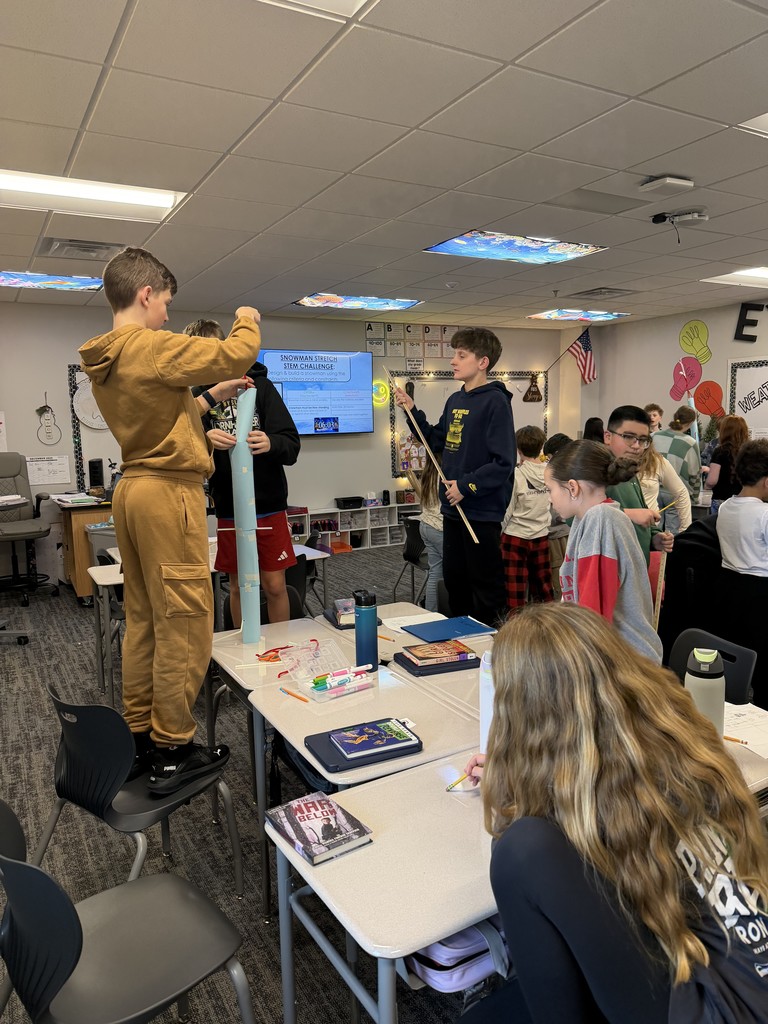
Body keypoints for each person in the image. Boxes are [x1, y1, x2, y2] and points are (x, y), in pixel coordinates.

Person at [463, 603, 768, 1024]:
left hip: (714, 1007)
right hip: (747, 979)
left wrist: (513, 781)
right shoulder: (675, 743)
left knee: (521, 853)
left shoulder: (529, 847)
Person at [79, 247, 261, 793]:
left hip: (132, 489)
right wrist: (248, 316)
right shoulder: (149, 344)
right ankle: (173, 747)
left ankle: (139, 736)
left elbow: (161, 420)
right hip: (168, 495)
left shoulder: (108, 358)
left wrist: (208, 399)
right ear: (145, 294)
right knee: (184, 619)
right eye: (165, 303)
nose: (165, 314)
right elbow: (238, 352)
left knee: (144, 620)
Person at [394, 328, 515, 627]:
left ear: (483, 362)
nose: (453, 361)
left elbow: (504, 463)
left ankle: (491, 649)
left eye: (461, 355)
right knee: (456, 583)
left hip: (480, 513)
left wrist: (466, 486)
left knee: (485, 588)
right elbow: (437, 441)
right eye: (454, 354)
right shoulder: (456, 400)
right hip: (453, 511)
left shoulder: (496, 402)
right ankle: (460, 641)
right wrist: (412, 411)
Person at [187, 319, 301, 626]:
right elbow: (185, 454)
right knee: (237, 586)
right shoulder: (195, 399)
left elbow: (291, 444)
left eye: (212, 351)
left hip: (268, 505)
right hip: (229, 508)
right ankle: (242, 652)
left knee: (275, 585)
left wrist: (270, 441)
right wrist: (204, 441)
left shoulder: (260, 387)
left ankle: (282, 648)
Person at [545, 439, 662, 661]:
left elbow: (593, 613)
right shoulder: (588, 518)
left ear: (572, 487)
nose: (549, 498)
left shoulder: (601, 520)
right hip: (610, 654)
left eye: (550, 489)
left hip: (623, 663)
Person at [716, 439, 768, 708]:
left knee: (738, 656)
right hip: (760, 595)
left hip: (729, 589)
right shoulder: (764, 514)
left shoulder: (726, 507)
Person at [603, 405, 674, 563]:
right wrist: (628, 514)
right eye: (628, 437)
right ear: (608, 437)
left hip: (636, 567)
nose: (636, 446)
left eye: (643, 440)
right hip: (611, 569)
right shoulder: (594, 470)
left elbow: (640, 511)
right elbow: (576, 515)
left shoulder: (628, 469)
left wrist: (654, 537)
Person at [501, 425, 553, 610]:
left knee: (514, 591)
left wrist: (499, 533)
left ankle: (516, 631)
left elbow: (508, 509)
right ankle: (549, 627)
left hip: (515, 536)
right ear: (541, 446)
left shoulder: (516, 474)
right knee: (544, 587)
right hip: (541, 535)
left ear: (518, 449)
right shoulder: (551, 473)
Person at [408, 454, 443, 613]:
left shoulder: (428, 474)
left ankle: (431, 612)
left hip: (426, 525)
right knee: (454, 573)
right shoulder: (444, 476)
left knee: (435, 573)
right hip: (440, 527)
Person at [637, 437, 692, 535]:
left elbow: (681, 492)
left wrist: (685, 531)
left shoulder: (656, 461)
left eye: (642, 440)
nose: (636, 445)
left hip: (650, 530)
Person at [653, 405, 702, 505]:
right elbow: (695, 474)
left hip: (652, 491)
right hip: (676, 494)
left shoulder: (653, 436)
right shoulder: (690, 443)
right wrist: (695, 498)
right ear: (690, 423)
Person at [704, 414, 749, 514]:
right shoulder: (750, 451)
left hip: (722, 499)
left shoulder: (720, 451)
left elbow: (712, 481)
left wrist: (705, 488)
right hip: (744, 500)